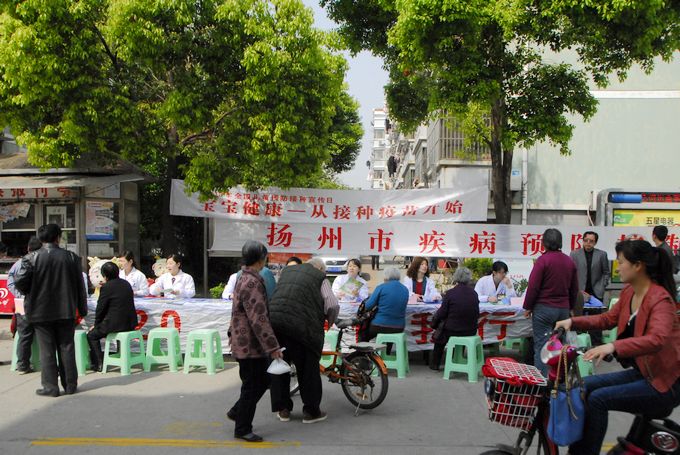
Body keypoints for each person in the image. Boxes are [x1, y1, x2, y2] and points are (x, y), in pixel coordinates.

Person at [555, 240, 680, 455]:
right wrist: (572, 322)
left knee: (598, 400)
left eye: (621, 262)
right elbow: (607, 319)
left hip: (663, 384)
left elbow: (657, 339)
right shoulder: (630, 293)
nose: (618, 267)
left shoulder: (660, 300)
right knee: (584, 386)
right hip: (644, 373)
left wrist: (612, 346)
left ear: (638, 266)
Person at [13, 224, 88, 397]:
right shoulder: (71, 257)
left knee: (46, 349)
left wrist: (31, 291)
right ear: (58, 238)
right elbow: (80, 286)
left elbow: (20, 282)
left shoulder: (31, 258)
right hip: (66, 309)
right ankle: (70, 385)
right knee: (67, 346)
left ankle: (50, 387)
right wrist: (82, 309)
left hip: (40, 311)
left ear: (40, 239)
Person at [269, 257, 339, 424]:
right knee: (308, 368)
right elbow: (332, 304)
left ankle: (283, 410)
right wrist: (330, 321)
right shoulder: (319, 277)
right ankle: (311, 412)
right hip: (302, 327)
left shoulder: (287, 272)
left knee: (280, 365)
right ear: (320, 269)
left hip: (276, 323)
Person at [226, 241, 283, 443]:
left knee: (258, 381)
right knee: (254, 384)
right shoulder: (252, 282)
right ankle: (242, 428)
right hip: (249, 344)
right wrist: (273, 347)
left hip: (244, 341)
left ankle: (237, 411)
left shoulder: (244, 277)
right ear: (261, 259)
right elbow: (259, 319)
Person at [522, 228, 579, 376]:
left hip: (543, 309)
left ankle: (542, 381)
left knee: (542, 346)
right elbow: (574, 288)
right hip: (563, 309)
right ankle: (560, 380)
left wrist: (528, 307)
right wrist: (571, 307)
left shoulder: (543, 261)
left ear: (544, 243)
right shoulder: (569, 261)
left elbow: (533, 286)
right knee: (561, 346)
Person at [87, 262, 138, 372]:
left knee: (92, 335)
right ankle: (120, 357)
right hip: (130, 323)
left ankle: (99, 363)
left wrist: (96, 325)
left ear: (105, 276)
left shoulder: (106, 287)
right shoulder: (126, 284)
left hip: (115, 324)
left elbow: (100, 309)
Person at [429, 267, 480, 370]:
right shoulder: (474, 294)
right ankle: (457, 358)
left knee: (440, 335)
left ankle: (435, 364)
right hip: (470, 330)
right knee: (452, 327)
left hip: (453, 330)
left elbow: (442, 313)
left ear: (456, 277)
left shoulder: (450, 293)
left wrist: (434, 322)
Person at [6, 236, 43, 374]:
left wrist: (20, 295)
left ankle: (22, 365)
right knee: (44, 333)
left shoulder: (19, 263)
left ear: (28, 248)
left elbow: (10, 282)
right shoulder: (43, 262)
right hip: (40, 303)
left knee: (24, 335)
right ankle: (46, 364)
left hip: (22, 303)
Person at [570, 231, 610, 343]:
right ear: (582, 241)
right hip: (579, 292)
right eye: (586, 240)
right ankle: (579, 343)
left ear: (595, 242)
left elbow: (606, 272)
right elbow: (571, 272)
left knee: (596, 319)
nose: (588, 243)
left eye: (591, 241)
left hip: (596, 291)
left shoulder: (602, 254)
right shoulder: (574, 254)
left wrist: (603, 285)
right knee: (579, 318)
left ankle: (596, 343)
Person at [361, 267, 409, 351]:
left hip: (380, 325)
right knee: (390, 336)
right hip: (399, 327)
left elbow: (368, 306)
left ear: (386, 276)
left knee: (363, 334)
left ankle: (364, 355)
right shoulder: (405, 289)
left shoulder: (381, 287)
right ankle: (387, 353)